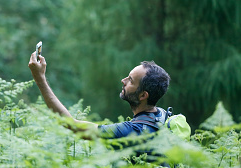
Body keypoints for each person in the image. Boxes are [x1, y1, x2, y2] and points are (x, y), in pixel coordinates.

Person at [28, 51, 171, 139]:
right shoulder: (162, 117)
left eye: (130, 80)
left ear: (143, 96)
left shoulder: (132, 131)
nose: (123, 80)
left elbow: (73, 126)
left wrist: (39, 78)